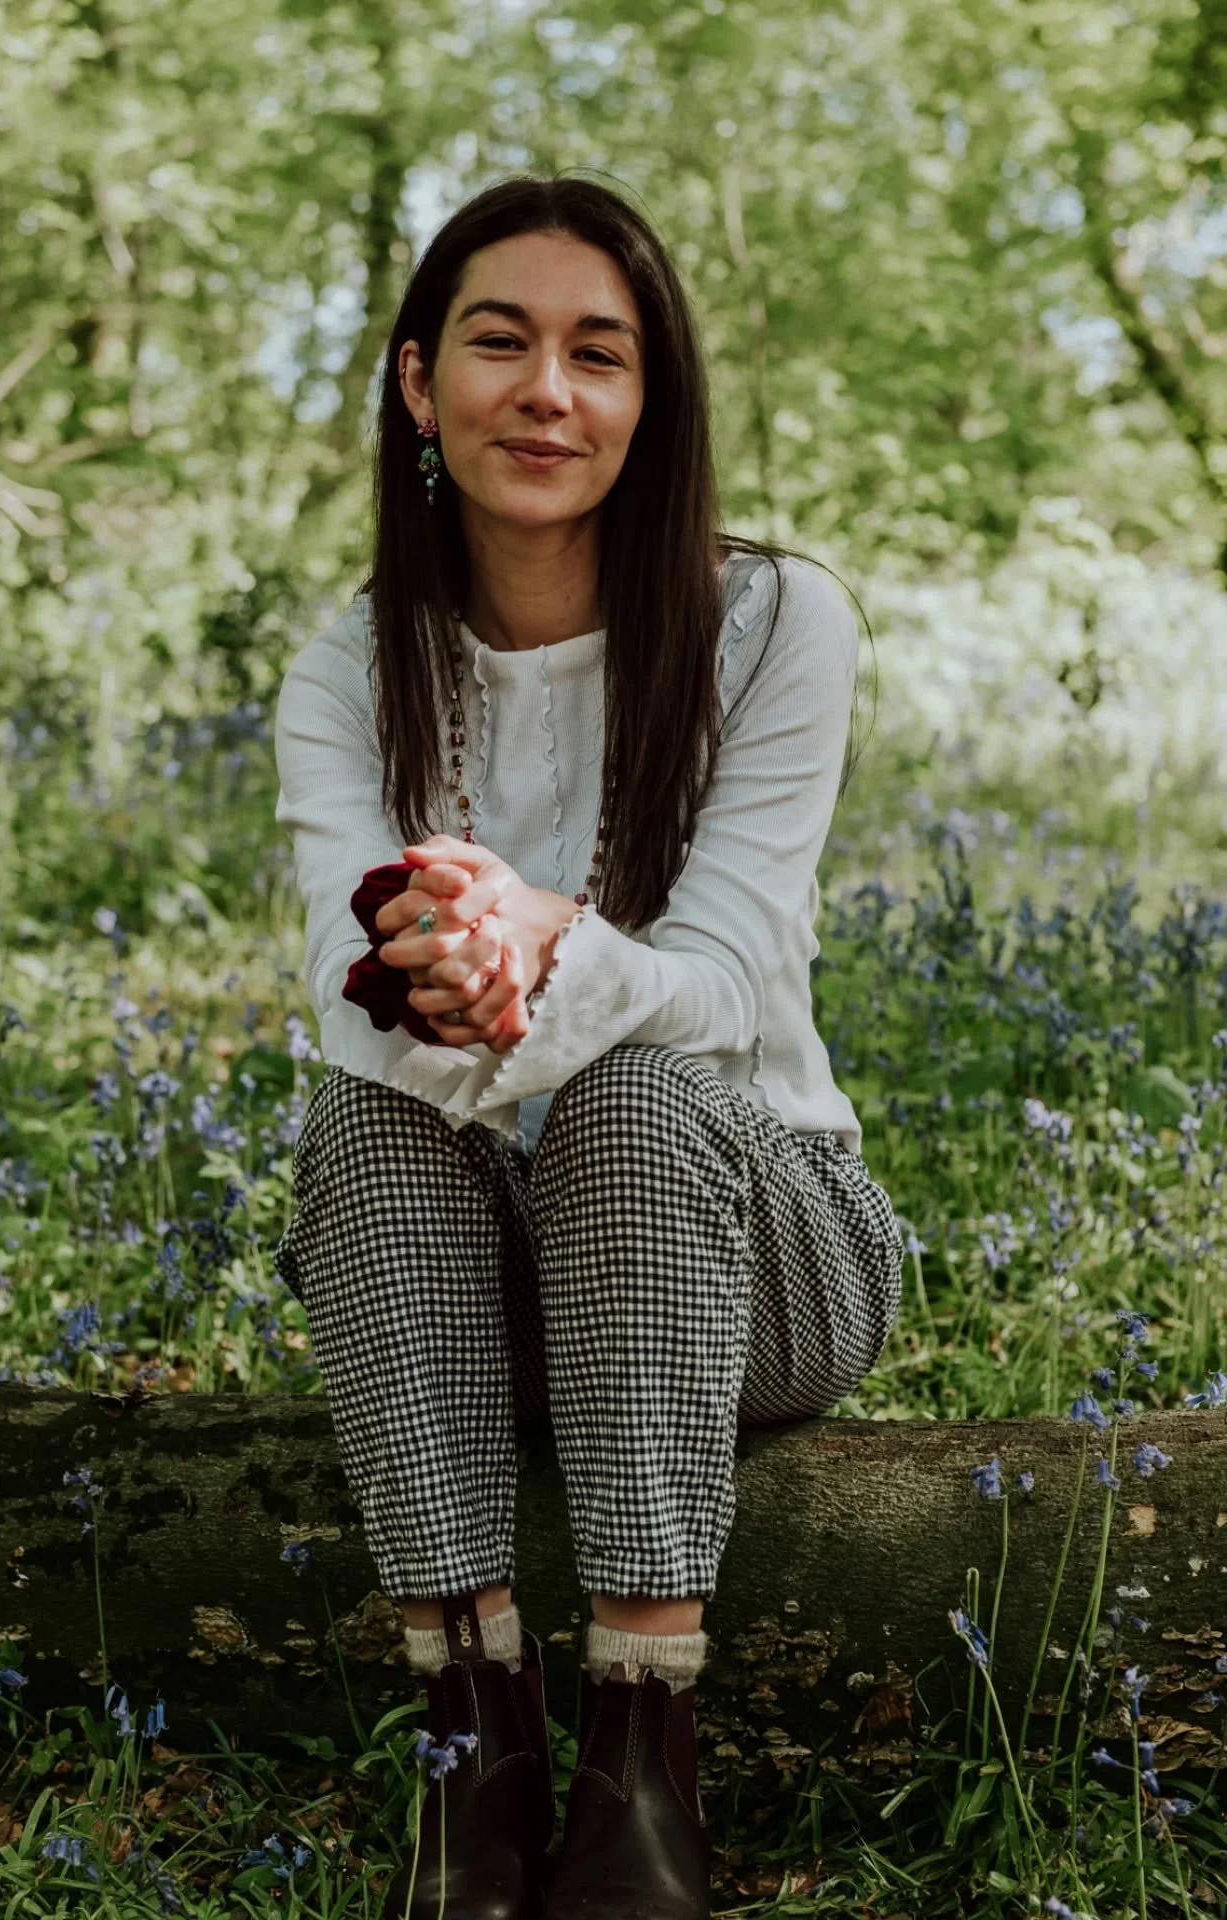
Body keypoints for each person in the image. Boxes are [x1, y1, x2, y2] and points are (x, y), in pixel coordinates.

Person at [272, 173, 904, 1920]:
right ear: (418, 382)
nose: (548, 389)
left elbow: (718, 985)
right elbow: (342, 973)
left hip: (765, 1250)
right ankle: (469, 1765)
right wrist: (435, 969)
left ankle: (643, 1768)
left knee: (631, 1089)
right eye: (500, 341)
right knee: (363, 1116)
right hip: (490, 1289)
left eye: (598, 353)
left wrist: (548, 942)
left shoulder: (776, 622)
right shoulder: (348, 666)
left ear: (650, 399)